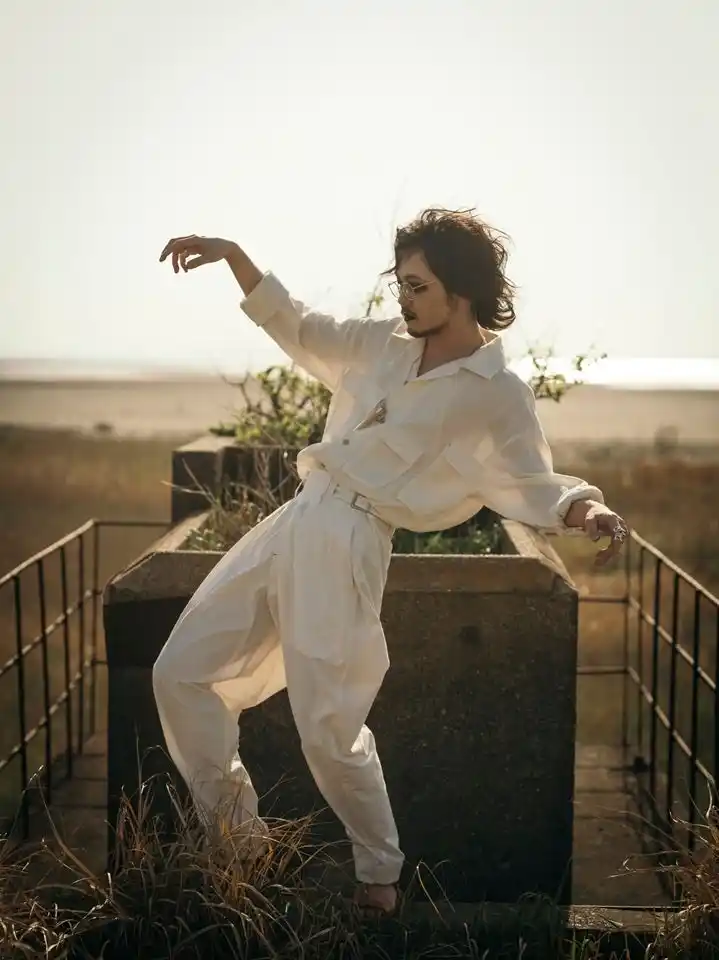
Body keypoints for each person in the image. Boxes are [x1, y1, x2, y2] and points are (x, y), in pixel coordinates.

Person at [153, 208, 628, 915]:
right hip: (297, 516)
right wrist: (234, 256)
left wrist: (586, 510)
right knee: (180, 673)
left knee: (329, 728)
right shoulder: (382, 344)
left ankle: (378, 878)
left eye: (417, 286)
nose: (402, 298)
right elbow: (300, 326)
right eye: (399, 282)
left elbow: (530, 479)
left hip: (351, 538)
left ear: (460, 291)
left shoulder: (495, 391)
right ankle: (238, 851)